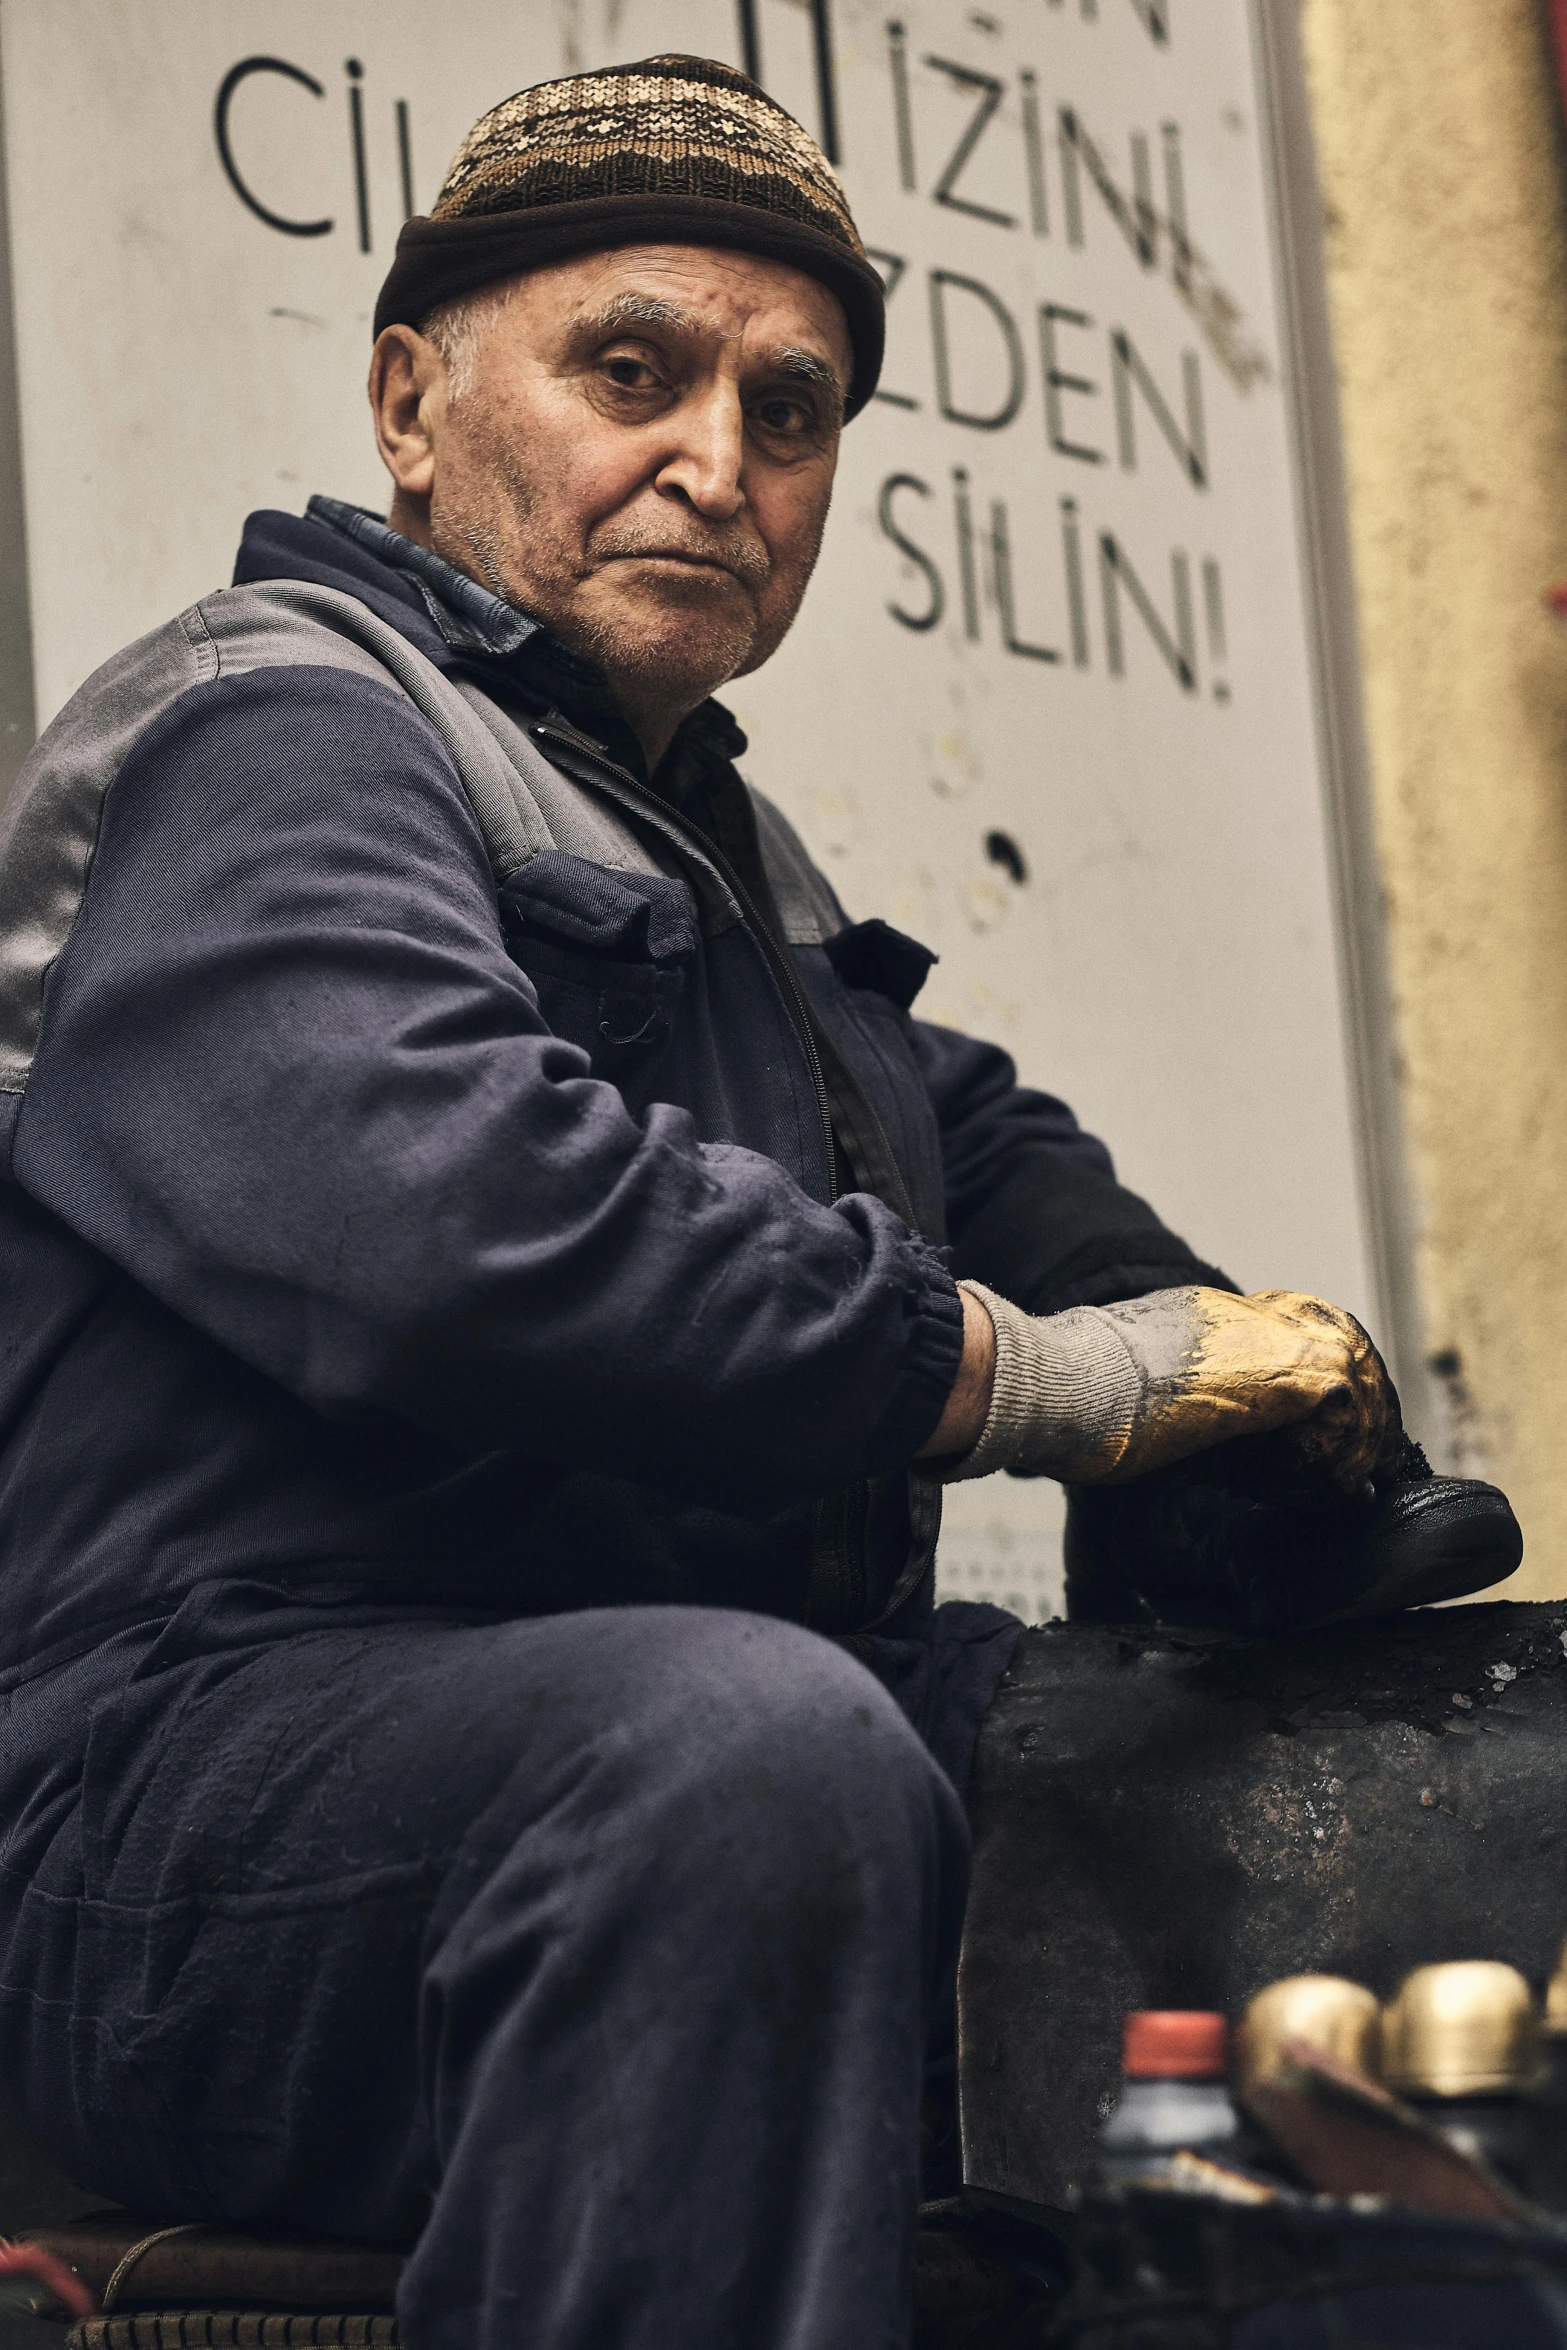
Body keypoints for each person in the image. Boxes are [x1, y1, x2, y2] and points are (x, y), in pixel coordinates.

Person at [0, 54, 1515, 2350]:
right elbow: (467, 1213)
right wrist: (1054, 1384)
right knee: (747, 1754)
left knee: (1444, 1765)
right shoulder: (271, 729)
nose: (718, 460)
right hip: (183, 1817)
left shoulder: (720, 857)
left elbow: (997, 1157)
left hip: (647, 1750)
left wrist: (1248, 1399)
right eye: (633, 368)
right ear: (412, 398)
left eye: (790, 411)